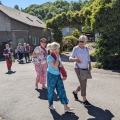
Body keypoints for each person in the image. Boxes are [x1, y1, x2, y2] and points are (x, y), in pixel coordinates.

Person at [47, 42, 74, 113]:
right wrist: (57, 57)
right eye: (58, 48)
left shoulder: (58, 56)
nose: (59, 49)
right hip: (51, 75)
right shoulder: (49, 57)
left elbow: (61, 65)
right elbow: (56, 66)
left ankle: (66, 107)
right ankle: (50, 104)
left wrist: (64, 73)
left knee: (62, 91)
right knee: (51, 91)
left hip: (58, 75)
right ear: (55, 49)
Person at [69, 35, 92, 106]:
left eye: (82, 41)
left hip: (85, 68)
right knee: (83, 84)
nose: (80, 42)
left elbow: (88, 58)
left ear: (85, 42)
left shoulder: (86, 49)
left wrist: (90, 66)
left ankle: (75, 92)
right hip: (78, 68)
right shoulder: (76, 48)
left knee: (83, 83)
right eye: (79, 41)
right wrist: (75, 59)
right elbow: (70, 58)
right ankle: (84, 100)